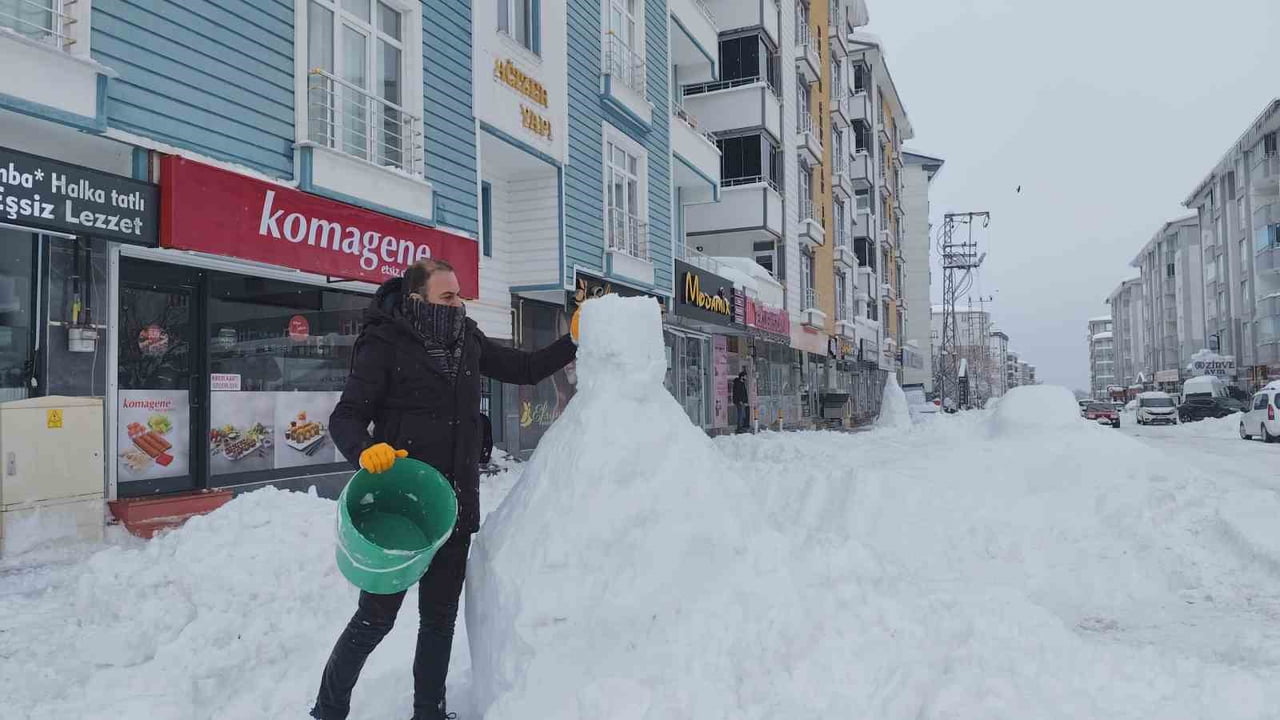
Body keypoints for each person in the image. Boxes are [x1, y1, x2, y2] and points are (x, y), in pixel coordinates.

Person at [311, 259, 579, 720]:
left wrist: (573, 340)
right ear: (418, 299)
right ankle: (328, 711)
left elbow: (527, 368)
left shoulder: (467, 340)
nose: (458, 305)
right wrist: (364, 450)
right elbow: (346, 416)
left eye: (460, 295)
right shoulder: (383, 343)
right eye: (447, 297)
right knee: (374, 620)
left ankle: (428, 712)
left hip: (453, 506)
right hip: (402, 509)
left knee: (438, 623)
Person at [731, 369, 750, 433]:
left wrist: (746, 401)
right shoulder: (738, 383)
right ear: (742, 376)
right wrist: (740, 400)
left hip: (742, 401)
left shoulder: (742, 383)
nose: (746, 377)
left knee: (743, 414)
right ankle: (739, 427)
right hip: (739, 401)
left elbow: (744, 393)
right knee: (740, 414)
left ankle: (742, 426)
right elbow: (737, 393)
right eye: (745, 376)